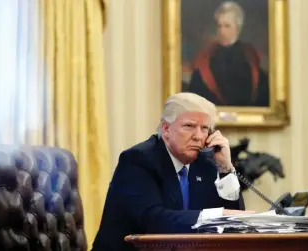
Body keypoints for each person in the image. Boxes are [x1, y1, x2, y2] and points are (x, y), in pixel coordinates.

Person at [91, 92, 252, 251]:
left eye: (204, 129)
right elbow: (153, 221)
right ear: (166, 129)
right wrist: (216, 216)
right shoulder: (138, 160)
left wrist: (226, 168)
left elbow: (235, 219)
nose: (198, 136)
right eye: (189, 126)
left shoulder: (206, 164)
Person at [188, 1, 269, 107]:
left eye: (227, 26)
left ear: (237, 29)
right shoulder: (206, 58)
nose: (221, 31)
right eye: (219, 26)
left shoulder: (251, 58)